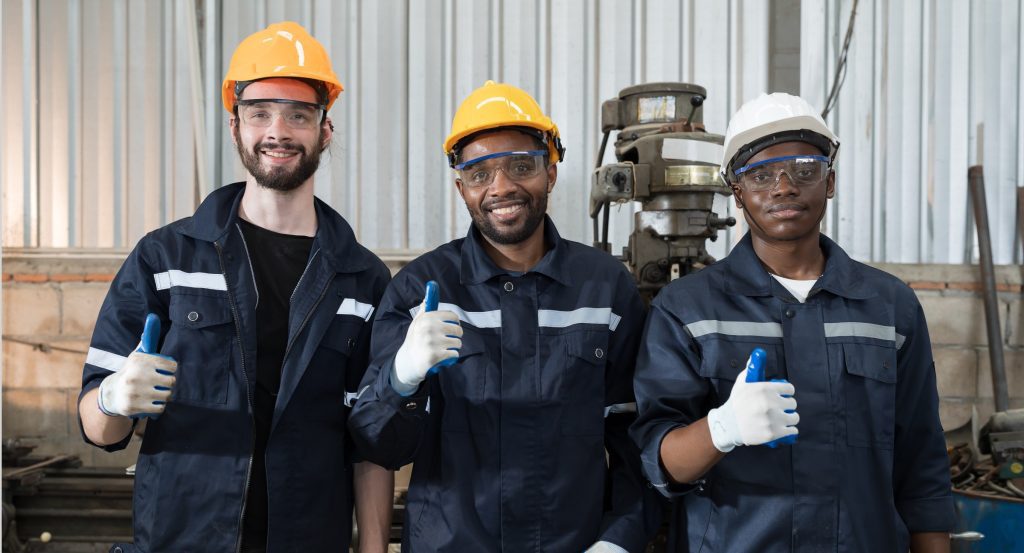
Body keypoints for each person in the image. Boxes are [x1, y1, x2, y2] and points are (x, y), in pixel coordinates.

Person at [77, 22, 394, 553]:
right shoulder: (166, 258)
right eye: (259, 112)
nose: (278, 131)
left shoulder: (362, 279)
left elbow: (370, 442)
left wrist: (374, 549)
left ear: (325, 130)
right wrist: (112, 400)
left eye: (299, 114)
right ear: (235, 126)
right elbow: (96, 428)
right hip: (181, 541)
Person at [630, 92, 955, 552]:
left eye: (804, 169)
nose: (783, 187)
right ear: (737, 192)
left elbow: (922, 463)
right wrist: (722, 429)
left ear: (830, 181)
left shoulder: (888, 308)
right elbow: (660, 464)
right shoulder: (688, 310)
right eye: (760, 175)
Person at [348, 81, 660, 552]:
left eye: (521, 166)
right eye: (479, 173)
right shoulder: (420, 290)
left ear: (550, 173)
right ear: (461, 189)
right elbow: (378, 446)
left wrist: (619, 540)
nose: (501, 187)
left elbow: (635, 438)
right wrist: (400, 379)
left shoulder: (604, 289)